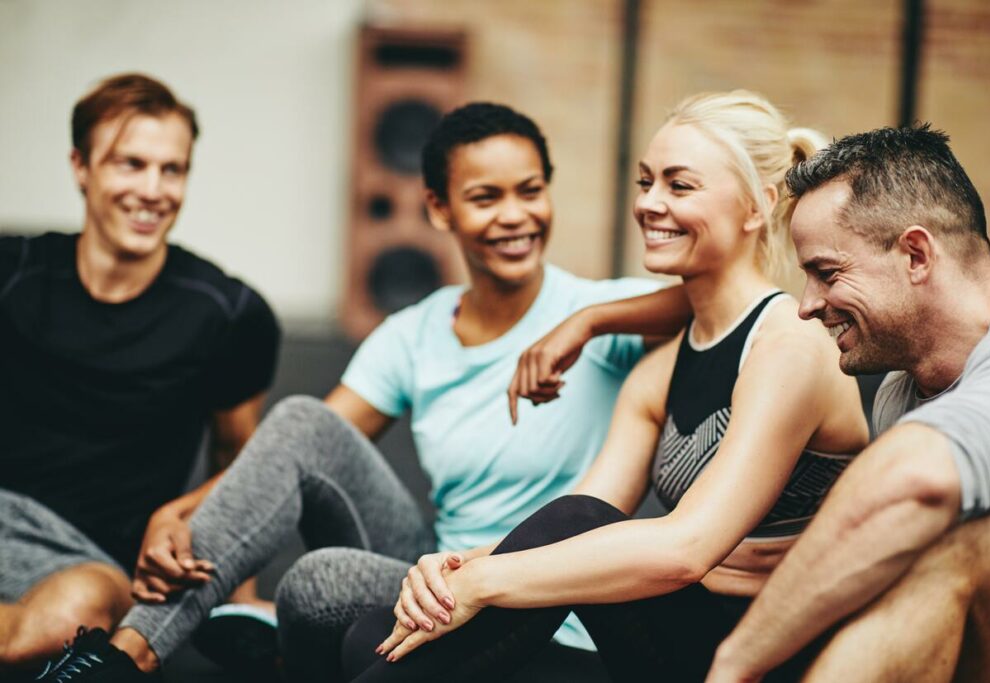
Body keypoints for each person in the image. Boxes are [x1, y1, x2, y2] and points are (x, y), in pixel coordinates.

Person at [35, 102, 693, 683]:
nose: (515, 215)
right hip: (441, 579)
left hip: (553, 600)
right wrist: (178, 510)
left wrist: (585, 323)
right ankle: (124, 656)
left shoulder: (608, 311)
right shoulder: (416, 332)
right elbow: (298, 444)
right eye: (486, 197)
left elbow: (707, 298)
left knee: (311, 587)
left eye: (530, 191)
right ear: (439, 208)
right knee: (302, 441)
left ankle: (283, 646)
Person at [342, 90, 870, 682]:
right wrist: (453, 567)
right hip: (671, 636)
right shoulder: (659, 368)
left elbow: (684, 552)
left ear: (757, 206)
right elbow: (585, 512)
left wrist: (482, 584)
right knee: (371, 637)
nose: (649, 203)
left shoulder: (787, 346)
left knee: (569, 531)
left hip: (772, 650)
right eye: (646, 182)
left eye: (680, 185)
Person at [701, 125, 990, 682]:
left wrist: (734, 664)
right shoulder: (900, 394)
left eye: (827, 274)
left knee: (969, 541)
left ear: (916, 255)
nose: (807, 307)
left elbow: (919, 481)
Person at [0, 73, 280, 678]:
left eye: (172, 170)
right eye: (131, 164)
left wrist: (235, 596)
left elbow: (239, 460)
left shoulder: (229, 313)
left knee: (68, 613)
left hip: (92, 563)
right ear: (81, 166)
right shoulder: (14, 272)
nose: (153, 190)